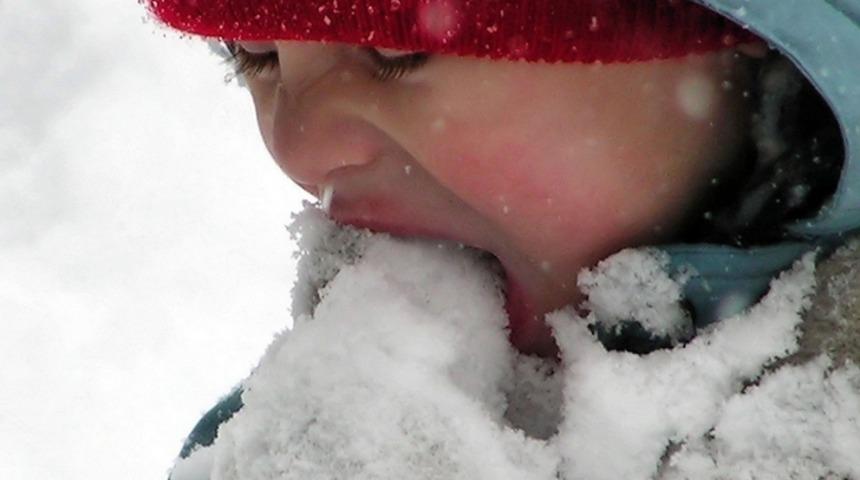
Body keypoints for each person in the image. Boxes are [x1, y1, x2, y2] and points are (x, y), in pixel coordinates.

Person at [146, 0, 860, 478]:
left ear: (751, 45)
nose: (297, 147)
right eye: (255, 54)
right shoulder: (279, 438)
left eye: (396, 50)